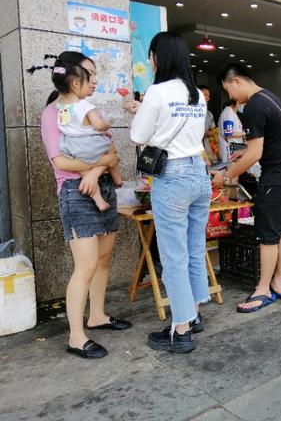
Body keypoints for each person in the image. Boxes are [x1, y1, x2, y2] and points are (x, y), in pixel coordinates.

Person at [34, 51, 131, 360]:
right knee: (86, 265)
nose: (96, 80)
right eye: (91, 74)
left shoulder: (89, 109)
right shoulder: (52, 114)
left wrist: (94, 169)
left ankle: (97, 315)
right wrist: (96, 166)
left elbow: (112, 151)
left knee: (103, 260)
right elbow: (59, 161)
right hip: (75, 192)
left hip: (99, 185)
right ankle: (76, 337)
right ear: (75, 80)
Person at [125, 32, 211, 353]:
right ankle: (194, 313)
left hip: (172, 176)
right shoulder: (197, 95)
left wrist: (139, 110)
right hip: (199, 175)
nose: (150, 61)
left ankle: (181, 330)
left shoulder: (157, 91)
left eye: (151, 55)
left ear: (158, 58)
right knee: (192, 248)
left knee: (172, 255)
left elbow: (138, 135)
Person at [213, 63, 281, 313]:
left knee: (267, 236)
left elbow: (256, 153)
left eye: (229, 90)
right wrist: (243, 151)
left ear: (237, 82)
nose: (231, 97)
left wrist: (227, 176)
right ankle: (279, 283)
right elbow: (271, 141)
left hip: (277, 177)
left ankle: (262, 290)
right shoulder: (271, 97)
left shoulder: (252, 106)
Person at [56, 67, 124, 211]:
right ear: (76, 84)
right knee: (111, 149)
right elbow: (99, 125)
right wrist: (107, 123)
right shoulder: (85, 105)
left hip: (70, 146)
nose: (93, 83)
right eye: (88, 80)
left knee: (85, 173)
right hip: (90, 142)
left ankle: (99, 201)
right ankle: (117, 178)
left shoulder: (61, 107)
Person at [198, 84, 216, 165]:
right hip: (196, 151)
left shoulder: (209, 114)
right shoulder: (190, 114)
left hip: (206, 147)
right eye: (205, 95)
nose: (208, 98)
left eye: (208, 96)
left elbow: (213, 129)